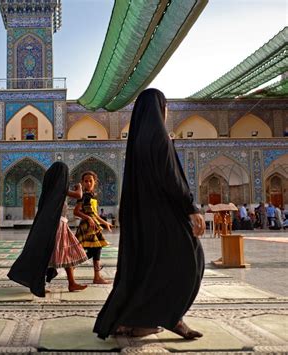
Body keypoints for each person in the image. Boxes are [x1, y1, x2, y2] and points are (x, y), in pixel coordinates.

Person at [93, 89, 205, 340]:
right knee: (191, 260)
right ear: (160, 109)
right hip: (165, 216)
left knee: (146, 267)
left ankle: (133, 321)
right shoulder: (159, 138)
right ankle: (171, 317)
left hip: (142, 220)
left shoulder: (137, 142)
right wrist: (191, 208)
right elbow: (172, 178)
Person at [8, 162, 88, 297]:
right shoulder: (59, 189)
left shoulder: (52, 189)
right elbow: (79, 195)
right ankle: (44, 283)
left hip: (60, 224)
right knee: (51, 254)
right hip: (57, 226)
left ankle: (71, 282)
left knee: (64, 252)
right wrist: (80, 186)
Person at [74, 171, 112, 284]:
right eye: (86, 181)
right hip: (87, 226)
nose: (88, 183)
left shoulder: (92, 195)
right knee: (95, 249)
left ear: (95, 182)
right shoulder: (83, 196)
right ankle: (73, 265)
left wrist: (105, 223)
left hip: (93, 225)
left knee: (95, 249)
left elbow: (94, 214)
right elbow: (76, 212)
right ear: (82, 182)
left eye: (90, 181)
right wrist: (88, 218)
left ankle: (96, 276)